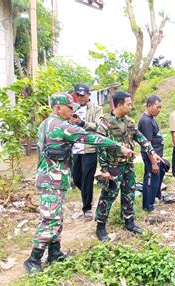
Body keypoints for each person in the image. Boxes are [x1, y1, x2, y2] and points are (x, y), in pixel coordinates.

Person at [23, 92, 134, 274]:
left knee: (57, 216)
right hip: (52, 179)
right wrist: (118, 146)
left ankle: (54, 252)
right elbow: (91, 138)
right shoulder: (60, 126)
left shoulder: (46, 123)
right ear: (58, 108)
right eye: (69, 107)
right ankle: (33, 259)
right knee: (50, 218)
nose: (72, 111)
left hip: (53, 177)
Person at [95, 91, 161, 241]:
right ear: (119, 105)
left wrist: (151, 152)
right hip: (113, 166)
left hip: (127, 166)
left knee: (129, 194)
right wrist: (104, 169)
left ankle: (129, 222)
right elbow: (100, 146)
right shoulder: (105, 123)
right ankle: (100, 226)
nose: (131, 106)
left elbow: (141, 138)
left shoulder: (129, 122)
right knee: (108, 196)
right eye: (128, 104)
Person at [71, 83, 103, 222]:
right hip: (75, 149)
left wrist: (82, 123)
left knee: (87, 179)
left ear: (89, 95)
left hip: (89, 148)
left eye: (82, 95)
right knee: (77, 178)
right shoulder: (73, 108)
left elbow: (98, 126)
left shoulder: (97, 109)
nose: (80, 98)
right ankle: (87, 196)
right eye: (78, 95)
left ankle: (87, 208)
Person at [138, 95, 166, 212]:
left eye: (160, 107)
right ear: (149, 106)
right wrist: (153, 162)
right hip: (151, 156)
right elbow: (147, 144)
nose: (159, 110)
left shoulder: (152, 118)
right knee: (150, 179)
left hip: (156, 155)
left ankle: (155, 197)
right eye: (157, 107)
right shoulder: (145, 121)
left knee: (158, 175)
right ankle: (148, 206)